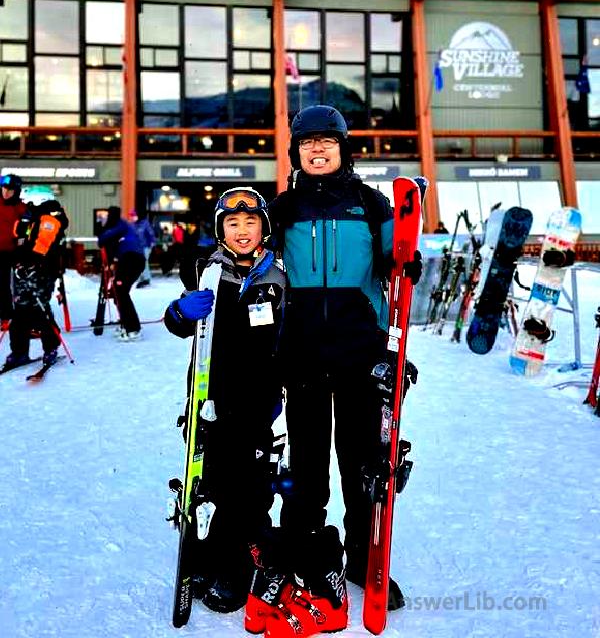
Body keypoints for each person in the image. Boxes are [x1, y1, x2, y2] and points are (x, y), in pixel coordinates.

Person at [262, 105, 416, 636]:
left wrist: (407, 257)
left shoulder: (370, 204)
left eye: (328, 141)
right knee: (307, 469)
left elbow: (402, 252)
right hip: (301, 355)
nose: (318, 149)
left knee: (360, 464)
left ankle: (361, 558)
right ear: (296, 153)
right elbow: (247, 257)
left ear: (344, 148)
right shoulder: (281, 210)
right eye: (308, 143)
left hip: (359, 354)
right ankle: (307, 551)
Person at [164, 187, 286, 615]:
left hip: (258, 404)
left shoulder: (279, 277)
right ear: (220, 229)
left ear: (264, 228)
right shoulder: (204, 270)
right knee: (210, 485)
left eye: (250, 223)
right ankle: (205, 558)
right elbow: (176, 324)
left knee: (248, 493)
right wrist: (181, 311)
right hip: (209, 400)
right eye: (232, 224)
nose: (242, 231)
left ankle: (236, 567)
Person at [3, 198, 68, 370]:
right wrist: (18, 261)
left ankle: (51, 347)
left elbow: (43, 242)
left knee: (39, 308)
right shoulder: (29, 217)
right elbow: (19, 238)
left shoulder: (50, 215)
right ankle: (19, 351)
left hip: (43, 271)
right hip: (24, 269)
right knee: (20, 310)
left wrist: (32, 262)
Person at [97, 206, 145, 341]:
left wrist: (103, 232)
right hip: (130, 259)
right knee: (119, 291)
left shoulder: (120, 225)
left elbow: (103, 239)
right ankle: (127, 324)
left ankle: (133, 328)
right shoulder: (121, 226)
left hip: (132, 259)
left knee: (121, 291)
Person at [0, 174, 27, 327]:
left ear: (16, 191)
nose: (6, 192)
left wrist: (21, 243)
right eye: (4, 188)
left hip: (11, 251)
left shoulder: (20, 208)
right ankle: (5, 313)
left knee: (10, 284)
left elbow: (27, 230)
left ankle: (9, 315)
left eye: (10, 190)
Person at [128, 209, 156, 288]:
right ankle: (141, 278)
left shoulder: (144, 223)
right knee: (138, 263)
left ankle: (146, 279)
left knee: (144, 262)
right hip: (137, 248)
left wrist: (152, 243)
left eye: (134, 215)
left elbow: (151, 233)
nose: (132, 217)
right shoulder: (132, 225)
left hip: (145, 247)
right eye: (131, 216)